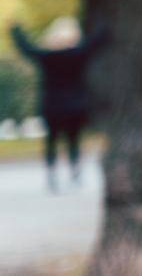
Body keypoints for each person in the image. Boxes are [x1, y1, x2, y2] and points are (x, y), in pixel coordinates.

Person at [10, 17, 108, 192]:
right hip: (74, 105)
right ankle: (74, 172)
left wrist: (15, 28)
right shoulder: (78, 54)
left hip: (53, 105)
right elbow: (97, 42)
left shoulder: (48, 57)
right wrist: (106, 20)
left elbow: (26, 48)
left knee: (52, 141)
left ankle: (52, 174)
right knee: (73, 141)